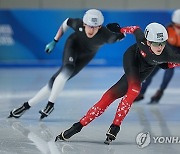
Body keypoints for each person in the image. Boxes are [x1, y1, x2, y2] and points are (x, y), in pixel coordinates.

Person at [55, 22, 180, 145]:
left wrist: (167, 64)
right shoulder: (141, 39)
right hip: (132, 58)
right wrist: (119, 30)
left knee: (110, 96)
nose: (160, 47)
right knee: (134, 89)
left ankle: (100, 127)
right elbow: (135, 27)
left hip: (147, 68)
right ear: (147, 42)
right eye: (156, 44)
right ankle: (87, 126)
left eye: (162, 43)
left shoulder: (167, 54)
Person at [8, 9, 125, 120]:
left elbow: (124, 34)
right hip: (73, 45)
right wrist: (54, 41)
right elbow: (66, 22)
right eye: (89, 26)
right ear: (84, 24)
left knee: (54, 82)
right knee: (67, 69)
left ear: (100, 27)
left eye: (95, 27)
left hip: (86, 56)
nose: (91, 30)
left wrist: (120, 31)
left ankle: (26, 106)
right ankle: (50, 104)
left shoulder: (109, 37)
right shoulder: (77, 24)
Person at [134, 9, 180, 104]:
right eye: (178, 26)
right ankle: (141, 93)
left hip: (172, 56)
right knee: (150, 73)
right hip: (163, 54)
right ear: (173, 24)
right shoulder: (167, 29)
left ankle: (160, 92)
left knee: (168, 74)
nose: (178, 29)